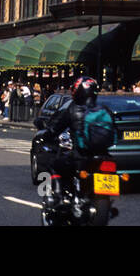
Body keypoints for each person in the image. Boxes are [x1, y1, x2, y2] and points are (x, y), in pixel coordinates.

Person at [40, 76, 107, 206]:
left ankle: (59, 196)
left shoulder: (73, 108)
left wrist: (46, 136)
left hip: (80, 154)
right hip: (103, 155)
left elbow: (55, 128)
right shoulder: (103, 109)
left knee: (54, 165)